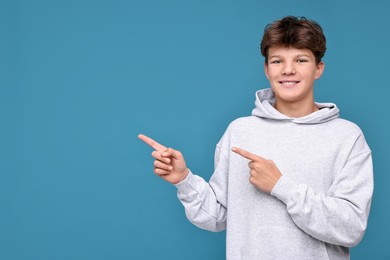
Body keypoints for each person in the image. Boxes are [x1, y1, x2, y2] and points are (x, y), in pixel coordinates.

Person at [138, 16, 373, 260]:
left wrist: (280, 186)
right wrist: (183, 179)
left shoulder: (347, 136)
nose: (288, 69)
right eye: (277, 60)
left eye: (301, 60)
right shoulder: (240, 131)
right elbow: (217, 217)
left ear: (318, 69)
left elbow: (352, 228)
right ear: (267, 69)